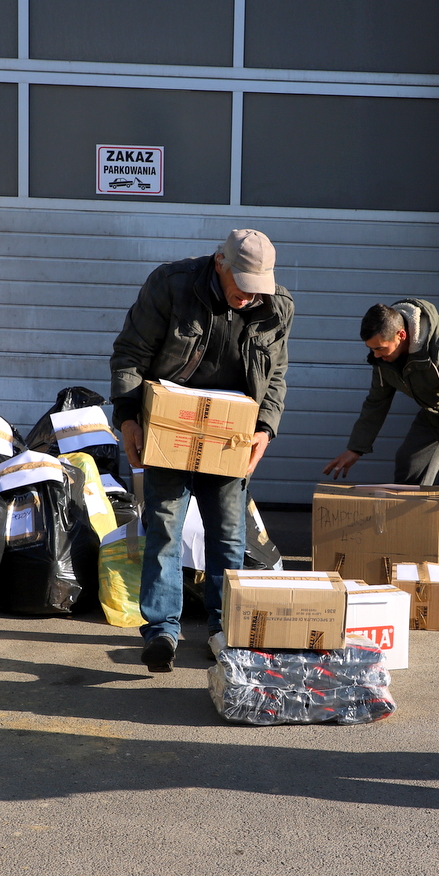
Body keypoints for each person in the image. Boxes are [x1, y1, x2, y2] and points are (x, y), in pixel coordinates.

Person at [110, 229, 293, 671]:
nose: (249, 296)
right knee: (165, 531)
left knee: (229, 537)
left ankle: (222, 628)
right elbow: (130, 352)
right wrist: (129, 417)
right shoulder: (171, 285)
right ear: (220, 264)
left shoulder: (277, 305)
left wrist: (265, 429)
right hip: (172, 426)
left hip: (229, 435)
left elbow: (278, 372)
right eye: (242, 284)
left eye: (258, 288)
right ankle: (161, 633)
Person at [322, 300, 439, 588]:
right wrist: (355, 448)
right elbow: (376, 402)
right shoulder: (383, 357)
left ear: (402, 336)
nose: (376, 355)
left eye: (381, 348)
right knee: (410, 464)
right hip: (437, 409)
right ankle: (412, 549)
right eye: (371, 349)